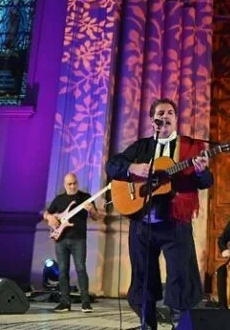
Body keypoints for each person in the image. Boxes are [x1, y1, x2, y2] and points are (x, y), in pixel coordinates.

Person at [105, 98, 213, 329]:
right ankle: (148, 322)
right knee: (143, 275)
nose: (165, 116)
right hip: (143, 222)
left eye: (170, 113)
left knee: (179, 273)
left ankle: (179, 323)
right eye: (160, 113)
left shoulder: (189, 148)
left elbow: (205, 182)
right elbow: (112, 165)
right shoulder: (141, 147)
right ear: (152, 120)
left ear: (175, 118)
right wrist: (132, 168)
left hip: (175, 221)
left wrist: (201, 171)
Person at [43, 173, 98, 313]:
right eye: (69, 184)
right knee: (62, 271)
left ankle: (86, 303)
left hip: (78, 239)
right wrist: (50, 218)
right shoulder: (59, 199)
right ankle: (64, 303)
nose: (72, 186)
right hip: (60, 239)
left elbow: (97, 217)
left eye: (74, 183)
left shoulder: (86, 197)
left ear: (77, 183)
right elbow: (46, 213)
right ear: (64, 185)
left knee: (80, 268)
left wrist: (91, 209)